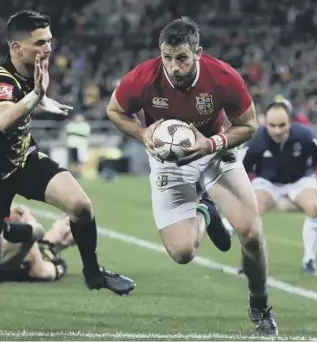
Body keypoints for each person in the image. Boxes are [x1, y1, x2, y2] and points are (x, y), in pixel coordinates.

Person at [0, 11, 135, 311]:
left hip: (23, 158)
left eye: (49, 40)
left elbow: (21, 102)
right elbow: (2, 119)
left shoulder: (30, 68)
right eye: (39, 42)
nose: (48, 48)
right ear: (17, 47)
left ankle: (93, 274)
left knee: (81, 206)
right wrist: (37, 95)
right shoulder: (0, 80)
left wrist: (42, 99)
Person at [105, 17, 277, 336]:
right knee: (182, 253)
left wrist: (211, 143)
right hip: (168, 161)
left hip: (213, 152)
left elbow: (249, 125)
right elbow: (114, 111)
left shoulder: (223, 77)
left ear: (198, 52)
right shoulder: (143, 77)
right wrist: (142, 134)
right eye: (167, 58)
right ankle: (205, 211)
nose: (174, 67)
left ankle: (260, 306)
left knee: (251, 234)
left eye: (182, 58)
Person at [242, 101, 317, 276]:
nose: (277, 131)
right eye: (272, 125)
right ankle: (251, 259)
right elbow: (238, 168)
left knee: (315, 208)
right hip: (267, 182)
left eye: (282, 125)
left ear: (291, 122)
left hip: (299, 180)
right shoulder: (256, 140)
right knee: (252, 212)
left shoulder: (306, 135)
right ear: (265, 124)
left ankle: (309, 260)